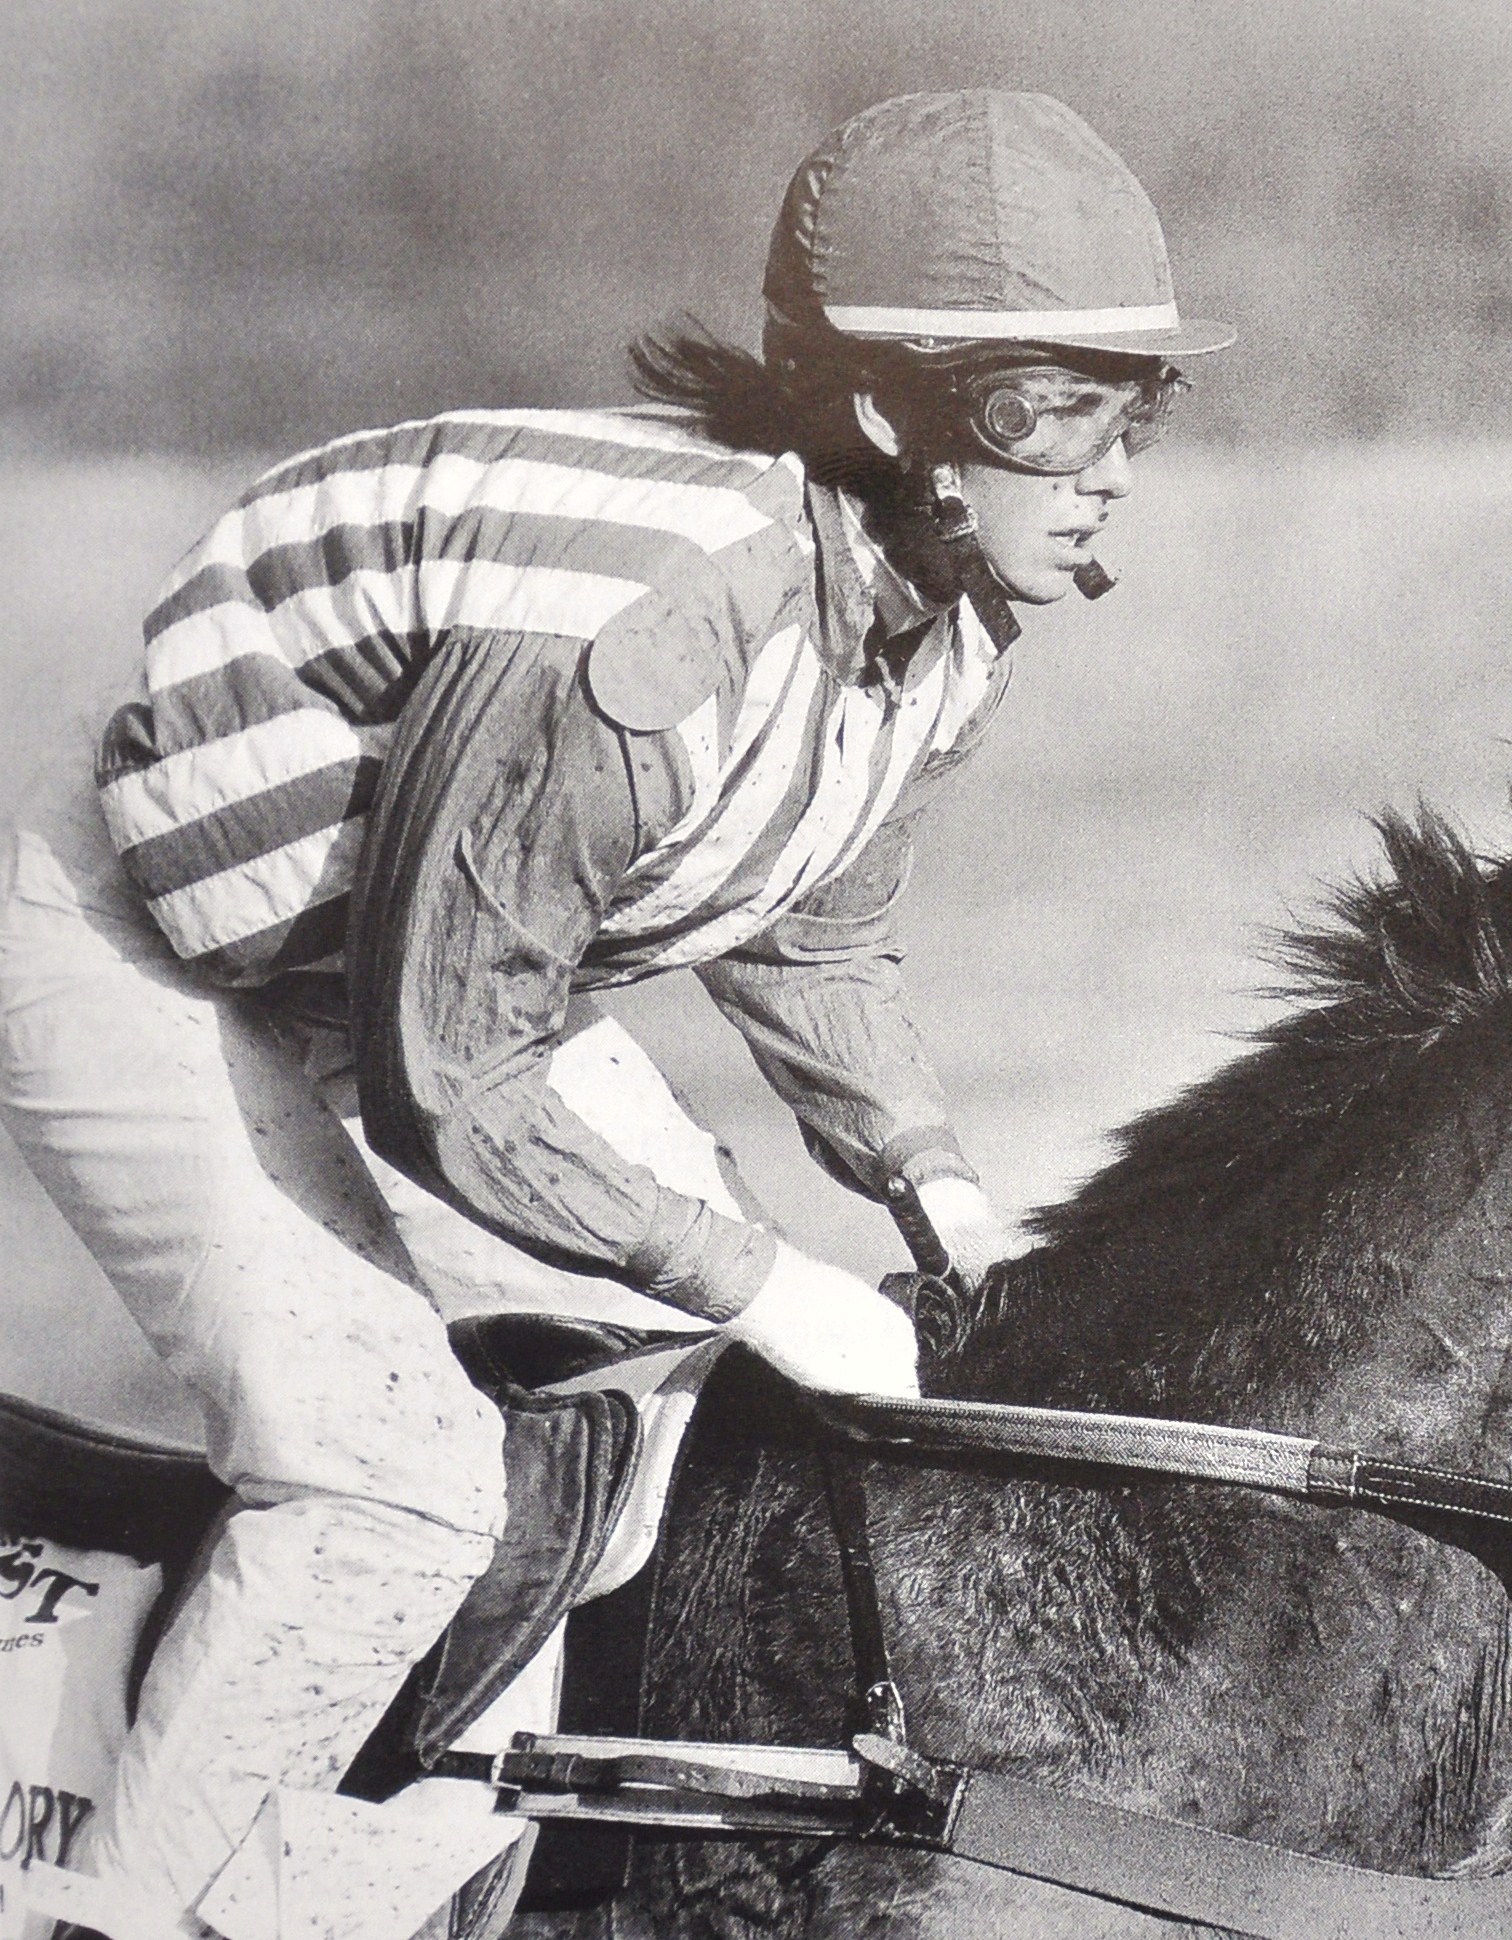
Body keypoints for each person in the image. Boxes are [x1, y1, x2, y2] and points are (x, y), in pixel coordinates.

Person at [0, 88, 1229, 1934]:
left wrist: (940, 1202)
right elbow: (450, 1080)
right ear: (888, 415)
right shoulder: (644, 620)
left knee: (635, 1383)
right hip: (152, 955)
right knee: (391, 1473)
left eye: (1134, 404)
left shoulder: (947, 618)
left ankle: (381, 1860)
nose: (1112, 466)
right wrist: (762, 1275)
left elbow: (814, 940)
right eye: (1048, 411)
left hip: (422, 969)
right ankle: (124, 1901)